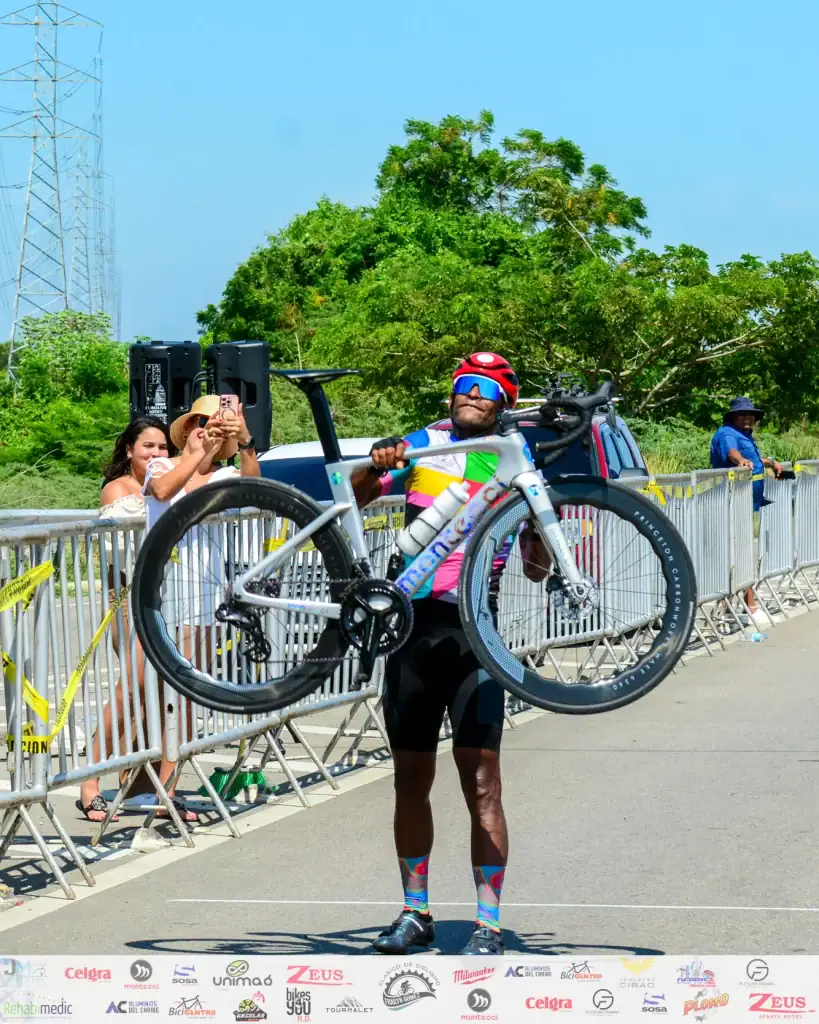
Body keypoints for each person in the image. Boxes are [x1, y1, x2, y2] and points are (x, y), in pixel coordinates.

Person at [351, 352, 551, 956]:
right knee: (410, 780)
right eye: (464, 385)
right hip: (412, 628)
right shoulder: (423, 444)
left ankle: (488, 922)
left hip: (474, 632)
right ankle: (417, 913)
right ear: (451, 394)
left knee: (482, 782)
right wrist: (374, 462)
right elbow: (357, 496)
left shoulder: (516, 457)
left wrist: (540, 527)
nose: (471, 396)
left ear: (504, 404)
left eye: (486, 390)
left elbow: (538, 570)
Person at [78, 416, 179, 822]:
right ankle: (89, 783)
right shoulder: (117, 491)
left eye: (162, 448)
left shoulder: (170, 484)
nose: (156, 454)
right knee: (132, 689)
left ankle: (137, 777)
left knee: (160, 693)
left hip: (166, 598)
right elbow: (118, 555)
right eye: (148, 447)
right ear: (129, 451)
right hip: (128, 600)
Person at [709, 396, 784, 623]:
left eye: (751, 415)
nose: (748, 418)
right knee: (740, 552)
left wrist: (768, 462)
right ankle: (750, 605)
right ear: (733, 417)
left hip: (745, 503)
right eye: (742, 415)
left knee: (739, 551)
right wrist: (741, 461)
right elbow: (733, 453)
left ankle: (730, 604)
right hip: (732, 502)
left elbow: (750, 457)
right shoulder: (728, 433)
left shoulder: (743, 435)